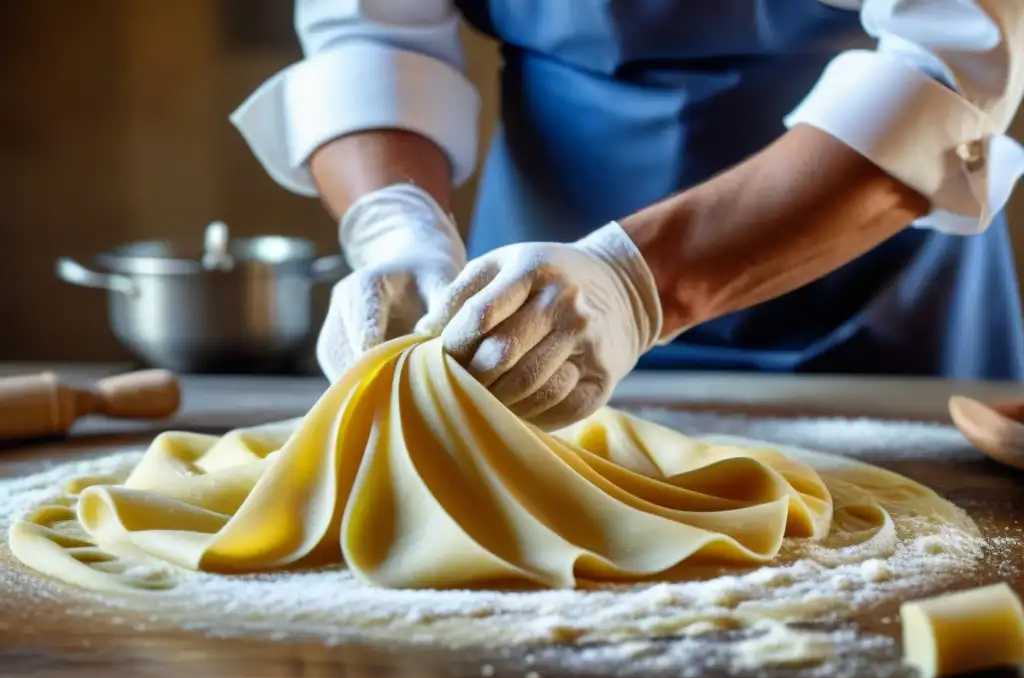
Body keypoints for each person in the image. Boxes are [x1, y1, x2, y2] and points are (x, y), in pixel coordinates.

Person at [232, 0, 1024, 431]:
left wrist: (636, 284)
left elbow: (948, 66)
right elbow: (372, 33)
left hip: (858, 275)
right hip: (528, 290)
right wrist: (396, 223)